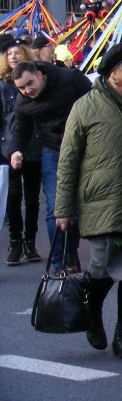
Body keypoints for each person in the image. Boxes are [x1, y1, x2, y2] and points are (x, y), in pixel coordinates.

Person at [54, 44, 122, 359]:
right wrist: (64, 208)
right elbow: (68, 161)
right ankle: (92, 314)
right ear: (114, 76)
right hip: (100, 202)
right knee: (102, 268)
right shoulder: (84, 107)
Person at [8, 56, 92, 269]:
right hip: (53, 150)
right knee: (57, 208)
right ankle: (61, 262)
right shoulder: (23, 102)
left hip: (86, 146)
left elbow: (97, 101)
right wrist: (16, 151)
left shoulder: (70, 78)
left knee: (80, 206)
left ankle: (70, 248)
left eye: (30, 84)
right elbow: (21, 129)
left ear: (39, 74)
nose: (27, 90)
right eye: (21, 88)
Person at [1, 35, 41, 265]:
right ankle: (15, 242)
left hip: (34, 147)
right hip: (8, 148)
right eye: (9, 53)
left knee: (33, 198)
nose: (14, 56)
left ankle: (30, 242)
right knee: (13, 197)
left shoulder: (35, 79)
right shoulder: (3, 85)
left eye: (17, 52)